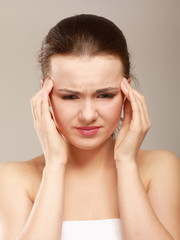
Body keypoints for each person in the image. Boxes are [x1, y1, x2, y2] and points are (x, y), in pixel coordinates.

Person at [0, 14, 179, 240]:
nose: (87, 115)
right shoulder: (16, 178)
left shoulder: (160, 168)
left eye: (104, 95)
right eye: (70, 97)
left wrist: (126, 163)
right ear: (45, 95)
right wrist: (55, 165)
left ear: (127, 93)